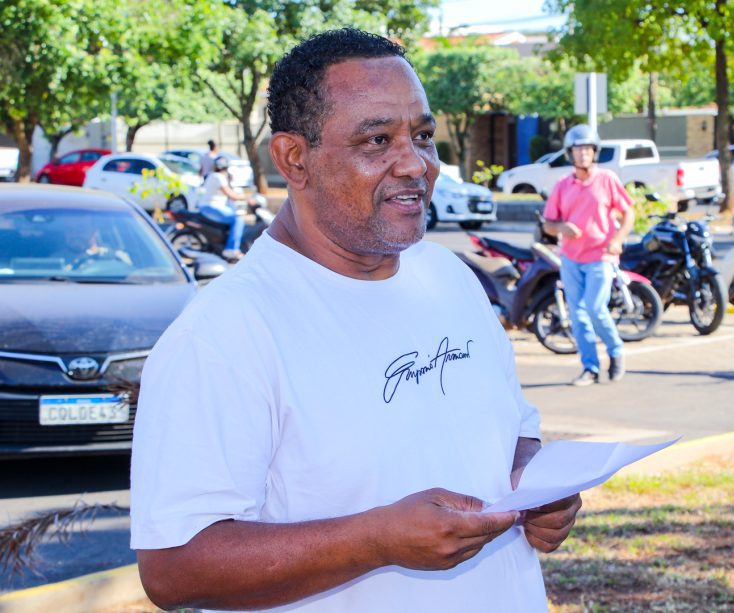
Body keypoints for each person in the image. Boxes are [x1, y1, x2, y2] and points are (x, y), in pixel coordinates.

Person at [130, 28, 581, 612]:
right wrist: (375, 540)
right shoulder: (224, 334)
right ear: (294, 159)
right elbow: (173, 569)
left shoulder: (448, 278)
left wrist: (534, 485)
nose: (415, 164)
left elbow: (512, 429)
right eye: (377, 140)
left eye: (422, 136)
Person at [542, 124, 636, 386]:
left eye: (587, 148)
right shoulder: (562, 185)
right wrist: (561, 227)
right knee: (578, 315)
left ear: (595, 152)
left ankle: (616, 351)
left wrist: (618, 240)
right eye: (577, 149)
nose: (583, 154)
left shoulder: (607, 179)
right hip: (571, 258)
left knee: (595, 308)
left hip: (601, 257)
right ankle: (590, 368)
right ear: (570, 154)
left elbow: (629, 212)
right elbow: (549, 223)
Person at [198, 155, 253, 261]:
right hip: (211, 207)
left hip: (207, 207)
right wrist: (247, 198)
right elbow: (231, 195)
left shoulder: (212, 175)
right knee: (238, 220)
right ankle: (231, 249)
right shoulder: (218, 177)